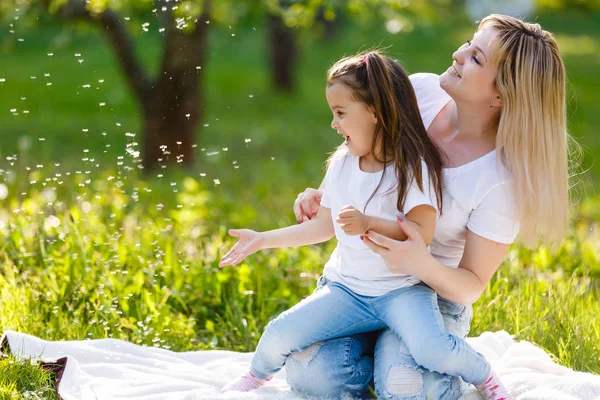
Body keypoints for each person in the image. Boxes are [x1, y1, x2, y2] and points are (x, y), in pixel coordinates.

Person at [285, 14, 572, 400]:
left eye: (475, 58)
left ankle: (409, 362)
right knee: (310, 376)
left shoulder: (502, 179)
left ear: (501, 95)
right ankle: (380, 354)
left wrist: (418, 263)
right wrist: (324, 195)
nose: (457, 54)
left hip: (432, 300)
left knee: (407, 389)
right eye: (468, 44)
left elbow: (471, 284)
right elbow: (355, 159)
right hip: (358, 283)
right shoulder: (417, 93)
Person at [219, 50, 511, 400]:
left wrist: (369, 222)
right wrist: (262, 239)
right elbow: (322, 227)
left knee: (430, 348)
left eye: (341, 113)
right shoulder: (343, 163)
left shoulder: (413, 168)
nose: (333, 124)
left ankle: (482, 373)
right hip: (348, 290)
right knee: (281, 331)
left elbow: (422, 232)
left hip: (402, 291)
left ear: (374, 111)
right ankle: (255, 375)